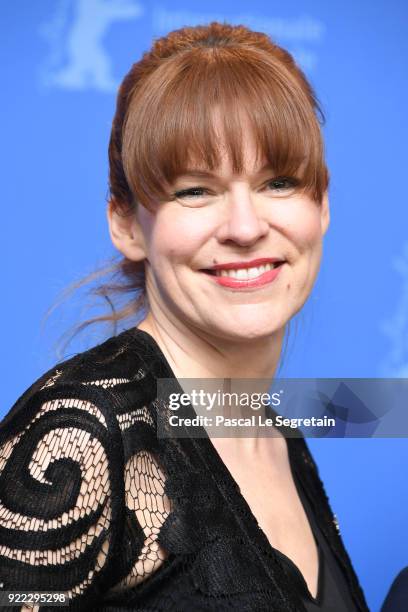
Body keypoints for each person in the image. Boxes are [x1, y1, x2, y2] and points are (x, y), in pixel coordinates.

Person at [0, 21, 369, 612]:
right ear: (126, 222)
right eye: (195, 191)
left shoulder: (272, 423)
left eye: (279, 182)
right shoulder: (83, 431)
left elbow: (377, 408)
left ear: (321, 206)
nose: (246, 228)